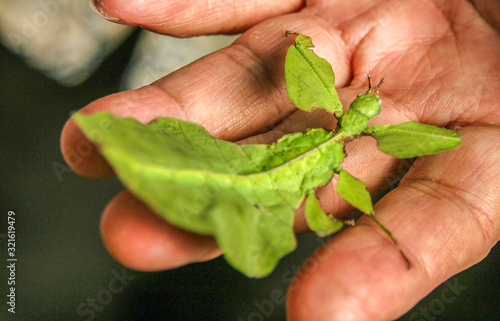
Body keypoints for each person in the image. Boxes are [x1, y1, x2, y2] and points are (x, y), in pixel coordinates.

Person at [61, 0, 500, 319]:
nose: (369, 97)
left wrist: (299, 45)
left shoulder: (326, 107)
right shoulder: (344, 130)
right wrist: (298, 44)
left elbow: (309, 71)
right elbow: (305, 67)